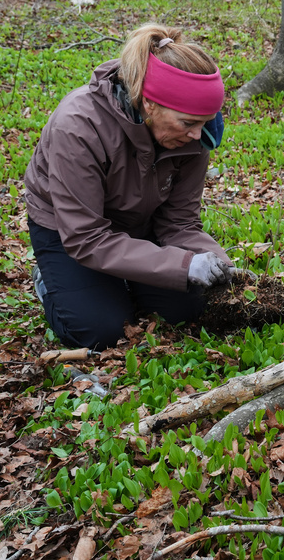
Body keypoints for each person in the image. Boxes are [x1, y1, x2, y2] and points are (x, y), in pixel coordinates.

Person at [24, 24, 233, 350]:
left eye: (205, 122)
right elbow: (86, 238)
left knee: (191, 308)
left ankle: (123, 278)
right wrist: (182, 265)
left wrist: (220, 264)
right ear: (150, 104)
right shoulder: (80, 127)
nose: (197, 135)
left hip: (139, 222)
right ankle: (51, 281)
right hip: (71, 232)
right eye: (188, 123)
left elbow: (180, 222)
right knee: (101, 330)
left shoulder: (196, 134)